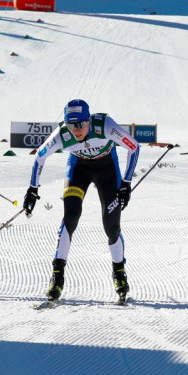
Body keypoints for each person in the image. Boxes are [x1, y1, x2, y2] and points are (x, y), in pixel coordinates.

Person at [23, 99, 140, 304]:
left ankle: (119, 272)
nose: (76, 131)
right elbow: (39, 157)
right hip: (78, 170)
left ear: (89, 120)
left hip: (107, 170)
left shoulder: (104, 125)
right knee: (71, 216)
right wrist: (33, 189)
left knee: (111, 225)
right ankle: (57, 276)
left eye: (80, 125)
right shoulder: (63, 134)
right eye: (71, 125)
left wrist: (126, 182)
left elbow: (134, 147)